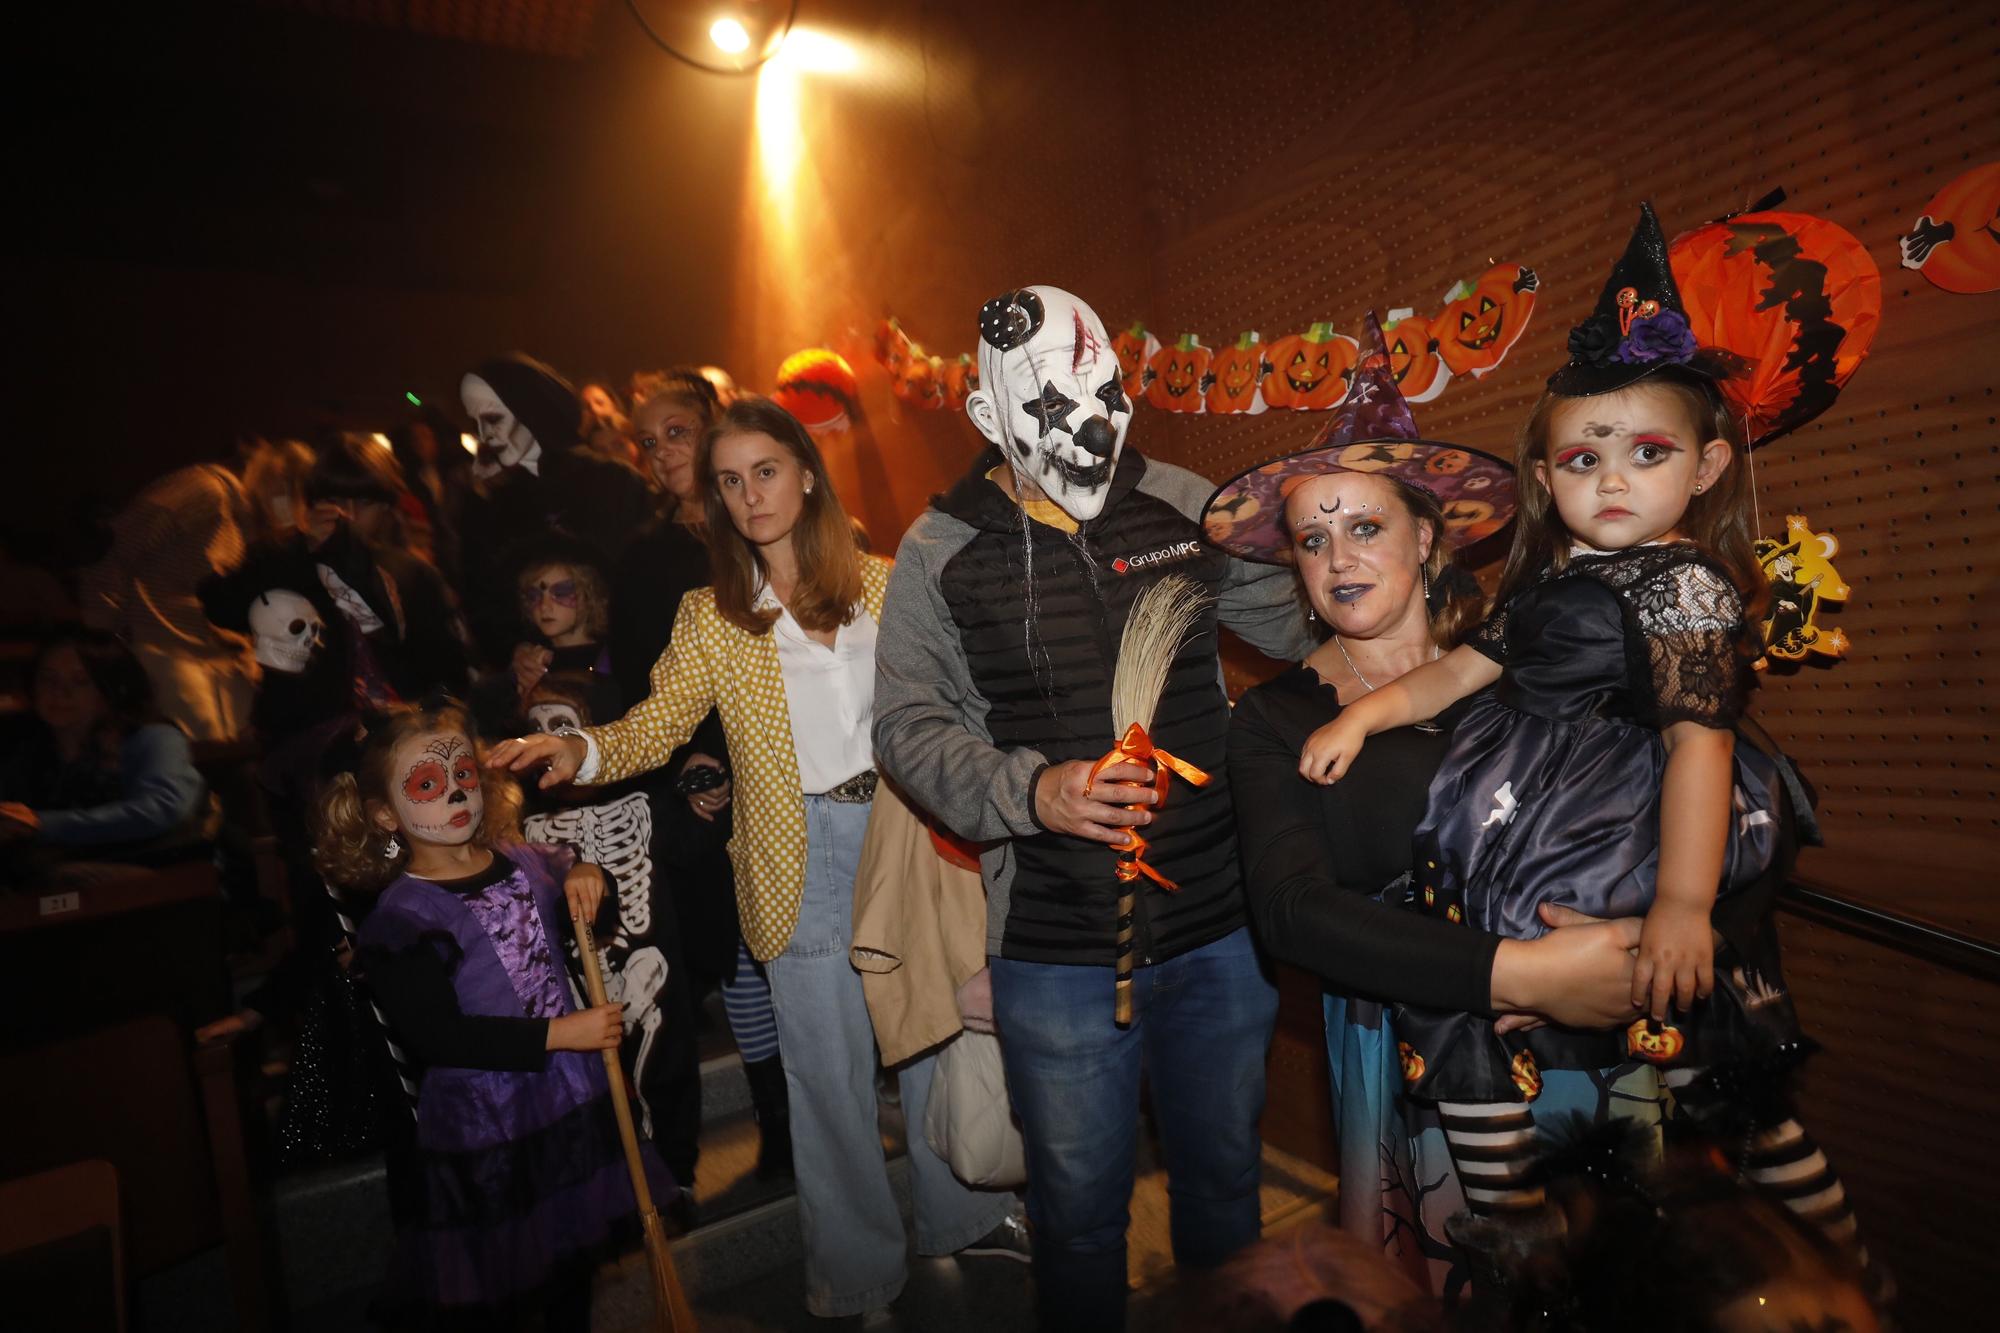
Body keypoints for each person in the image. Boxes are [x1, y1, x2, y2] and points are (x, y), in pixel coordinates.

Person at [1296, 207, 1878, 1298]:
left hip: (1629, 821)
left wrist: (1680, 906)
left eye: (1644, 452)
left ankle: (1844, 1270)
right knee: (1505, 1014)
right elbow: (1461, 669)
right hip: (1538, 821)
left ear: (1704, 466)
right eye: (1581, 457)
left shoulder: (1684, 584)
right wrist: (1361, 716)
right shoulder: (1554, 580)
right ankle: (1516, 1217)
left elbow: (1700, 746)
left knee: (1726, 1093)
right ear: (1544, 476)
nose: (1610, 478)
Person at [490, 398, 1024, 1322]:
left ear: (806, 473)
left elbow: (959, 706)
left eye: (764, 472)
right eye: (729, 481)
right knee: (827, 1074)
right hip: (797, 850)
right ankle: (859, 1274)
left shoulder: (891, 584)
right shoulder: (713, 616)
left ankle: (963, 1216)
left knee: (936, 1037)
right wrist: (580, 752)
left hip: (907, 834)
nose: (748, 495)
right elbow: (657, 726)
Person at [1215, 313, 1704, 1296]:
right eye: (1312, 540)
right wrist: (1516, 971)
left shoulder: (1540, 664)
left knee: (1624, 1282)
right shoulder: (1271, 718)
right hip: (1420, 1049)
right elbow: (1291, 913)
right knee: (1462, 1288)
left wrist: (1648, 938)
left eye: (1364, 527)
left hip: (1605, 1015)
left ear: (1426, 536)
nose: (1339, 557)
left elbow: (1691, 792)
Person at [871, 285, 1317, 1332]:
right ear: (987, 418)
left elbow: (1296, 626)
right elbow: (905, 728)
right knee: (1075, 1218)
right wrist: (1030, 790)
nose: (1090, 424)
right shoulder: (940, 549)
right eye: (1050, 404)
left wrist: (1363, 563)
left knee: (1223, 1192)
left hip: (1219, 927)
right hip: (1054, 948)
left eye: (1105, 392)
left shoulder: (1183, 502)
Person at [320, 699, 665, 1331]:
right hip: (490, 1116)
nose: (454, 793)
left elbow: (581, 904)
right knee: (504, 1274)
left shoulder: (524, 862)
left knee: (568, 1261)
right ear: (384, 813)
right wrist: (562, 1033)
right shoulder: (402, 919)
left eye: (464, 777)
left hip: (566, 1093)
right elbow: (438, 1038)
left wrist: (590, 874)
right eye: (428, 784)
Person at [613, 370, 789, 1180]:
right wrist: (687, 763)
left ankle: (837, 1097)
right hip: (697, 782)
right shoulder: (644, 557)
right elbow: (640, 685)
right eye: (646, 442)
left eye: (675, 432)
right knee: (737, 952)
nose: (659, 453)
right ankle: (779, 1120)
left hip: (791, 764)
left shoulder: (762, 520)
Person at [456, 353, 654, 666]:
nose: (484, 435)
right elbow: (486, 605)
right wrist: (515, 652)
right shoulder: (492, 506)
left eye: (493, 418)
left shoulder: (612, 482)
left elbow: (642, 587)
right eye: (476, 421)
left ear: (532, 411)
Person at [0, 627, 209, 879]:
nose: (60, 693)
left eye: (80, 681)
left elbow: (161, 809)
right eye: (48, 679)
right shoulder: (22, 741)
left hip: (147, 870)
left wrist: (43, 824)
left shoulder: (151, 737)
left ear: (109, 689)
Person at [76, 461, 258, 742]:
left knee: (229, 757)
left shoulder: (244, 524)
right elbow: (121, 543)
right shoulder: (204, 491)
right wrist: (103, 630)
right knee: (192, 755)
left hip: (211, 657)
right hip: (163, 646)